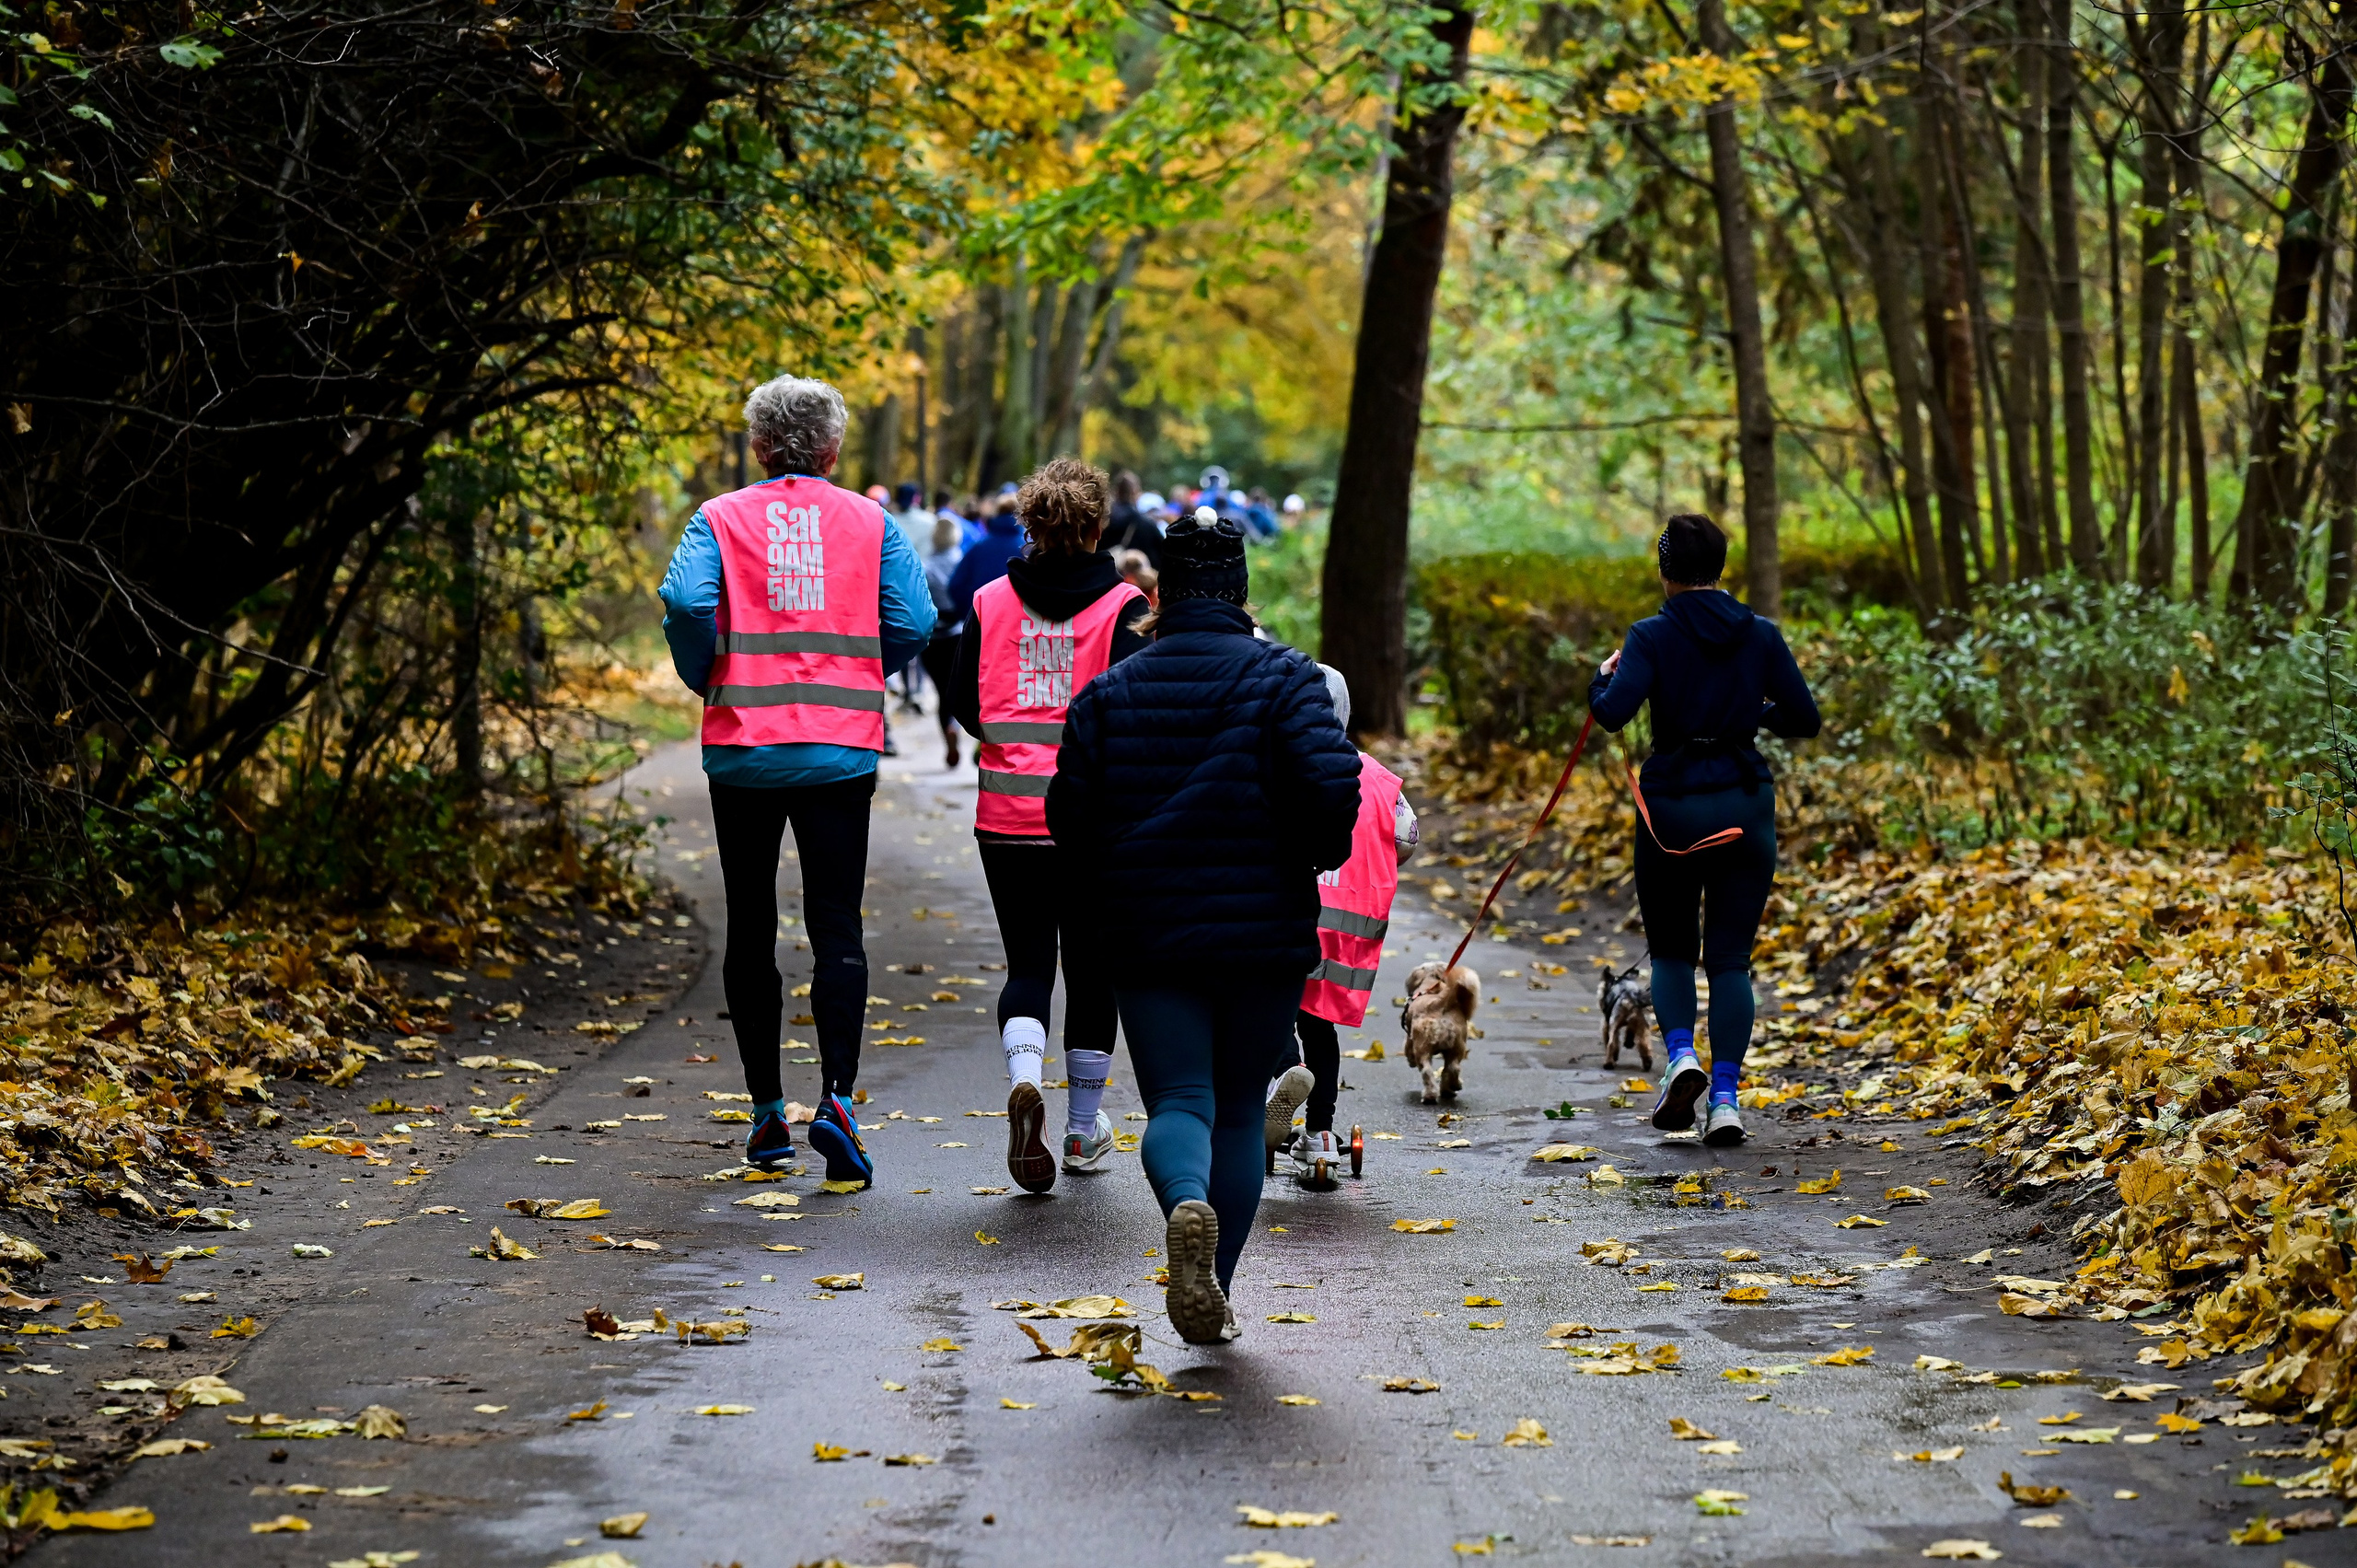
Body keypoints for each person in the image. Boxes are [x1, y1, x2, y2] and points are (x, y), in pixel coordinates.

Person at [1048, 511, 1361, 1344]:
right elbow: (1335, 793)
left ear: (1160, 595)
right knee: (1236, 1111)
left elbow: (1066, 818)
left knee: (1179, 1102)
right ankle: (1212, 1290)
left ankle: (1184, 1201)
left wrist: (1107, 884)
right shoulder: (1288, 679)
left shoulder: (1109, 692)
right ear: (1242, 590)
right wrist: (1309, 852)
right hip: (1263, 930)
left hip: (1147, 932)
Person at [658, 375, 936, 1186]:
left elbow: (683, 599)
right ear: (832, 449)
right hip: (839, 749)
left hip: (744, 747)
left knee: (751, 925)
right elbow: (915, 621)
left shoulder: (719, 518)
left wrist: (706, 673)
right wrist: (860, 666)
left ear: (756, 446)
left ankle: (766, 1118)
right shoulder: (871, 520)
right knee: (836, 926)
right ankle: (840, 1102)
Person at [1585, 513, 1820, 1148]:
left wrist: (1602, 677)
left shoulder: (1651, 635)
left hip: (1672, 807)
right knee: (1729, 959)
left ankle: (1681, 1056)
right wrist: (1749, 713)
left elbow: (1610, 715)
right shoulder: (1761, 635)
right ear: (1721, 568)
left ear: (1665, 570)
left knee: (1671, 951)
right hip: (1746, 803)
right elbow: (1805, 717)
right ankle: (1724, 1098)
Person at [951, 459, 1151, 1191]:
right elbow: (1135, 714)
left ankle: (1024, 1077)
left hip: (1006, 815)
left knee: (1028, 965)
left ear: (1028, 526)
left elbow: (967, 702)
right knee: (1092, 972)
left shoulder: (988, 601)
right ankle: (1079, 1130)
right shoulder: (1128, 606)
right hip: (1094, 822)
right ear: (1100, 526)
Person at [1265, 665, 1418, 1180]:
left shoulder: (1277, 763)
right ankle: (1320, 1134)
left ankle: (1284, 1073)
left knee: (1274, 1006)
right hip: (1349, 927)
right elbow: (1406, 838)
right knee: (1320, 1025)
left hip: (1289, 913)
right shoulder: (1378, 777)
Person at [917, 514, 967, 769]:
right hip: (958, 634)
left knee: (941, 692)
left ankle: (947, 727)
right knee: (957, 687)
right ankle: (955, 724)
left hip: (934, 639)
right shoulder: (962, 561)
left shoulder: (925, 566)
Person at [946, 496, 1025, 626]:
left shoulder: (979, 546)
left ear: (997, 514)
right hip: (1016, 626)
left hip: (980, 620)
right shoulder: (1028, 549)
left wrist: (968, 612)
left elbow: (956, 585)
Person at [1096, 470, 1165, 572]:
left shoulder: (1101, 522)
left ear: (1116, 491)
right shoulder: (1146, 525)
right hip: (1139, 583)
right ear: (1135, 492)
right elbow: (1162, 555)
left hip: (1106, 579)